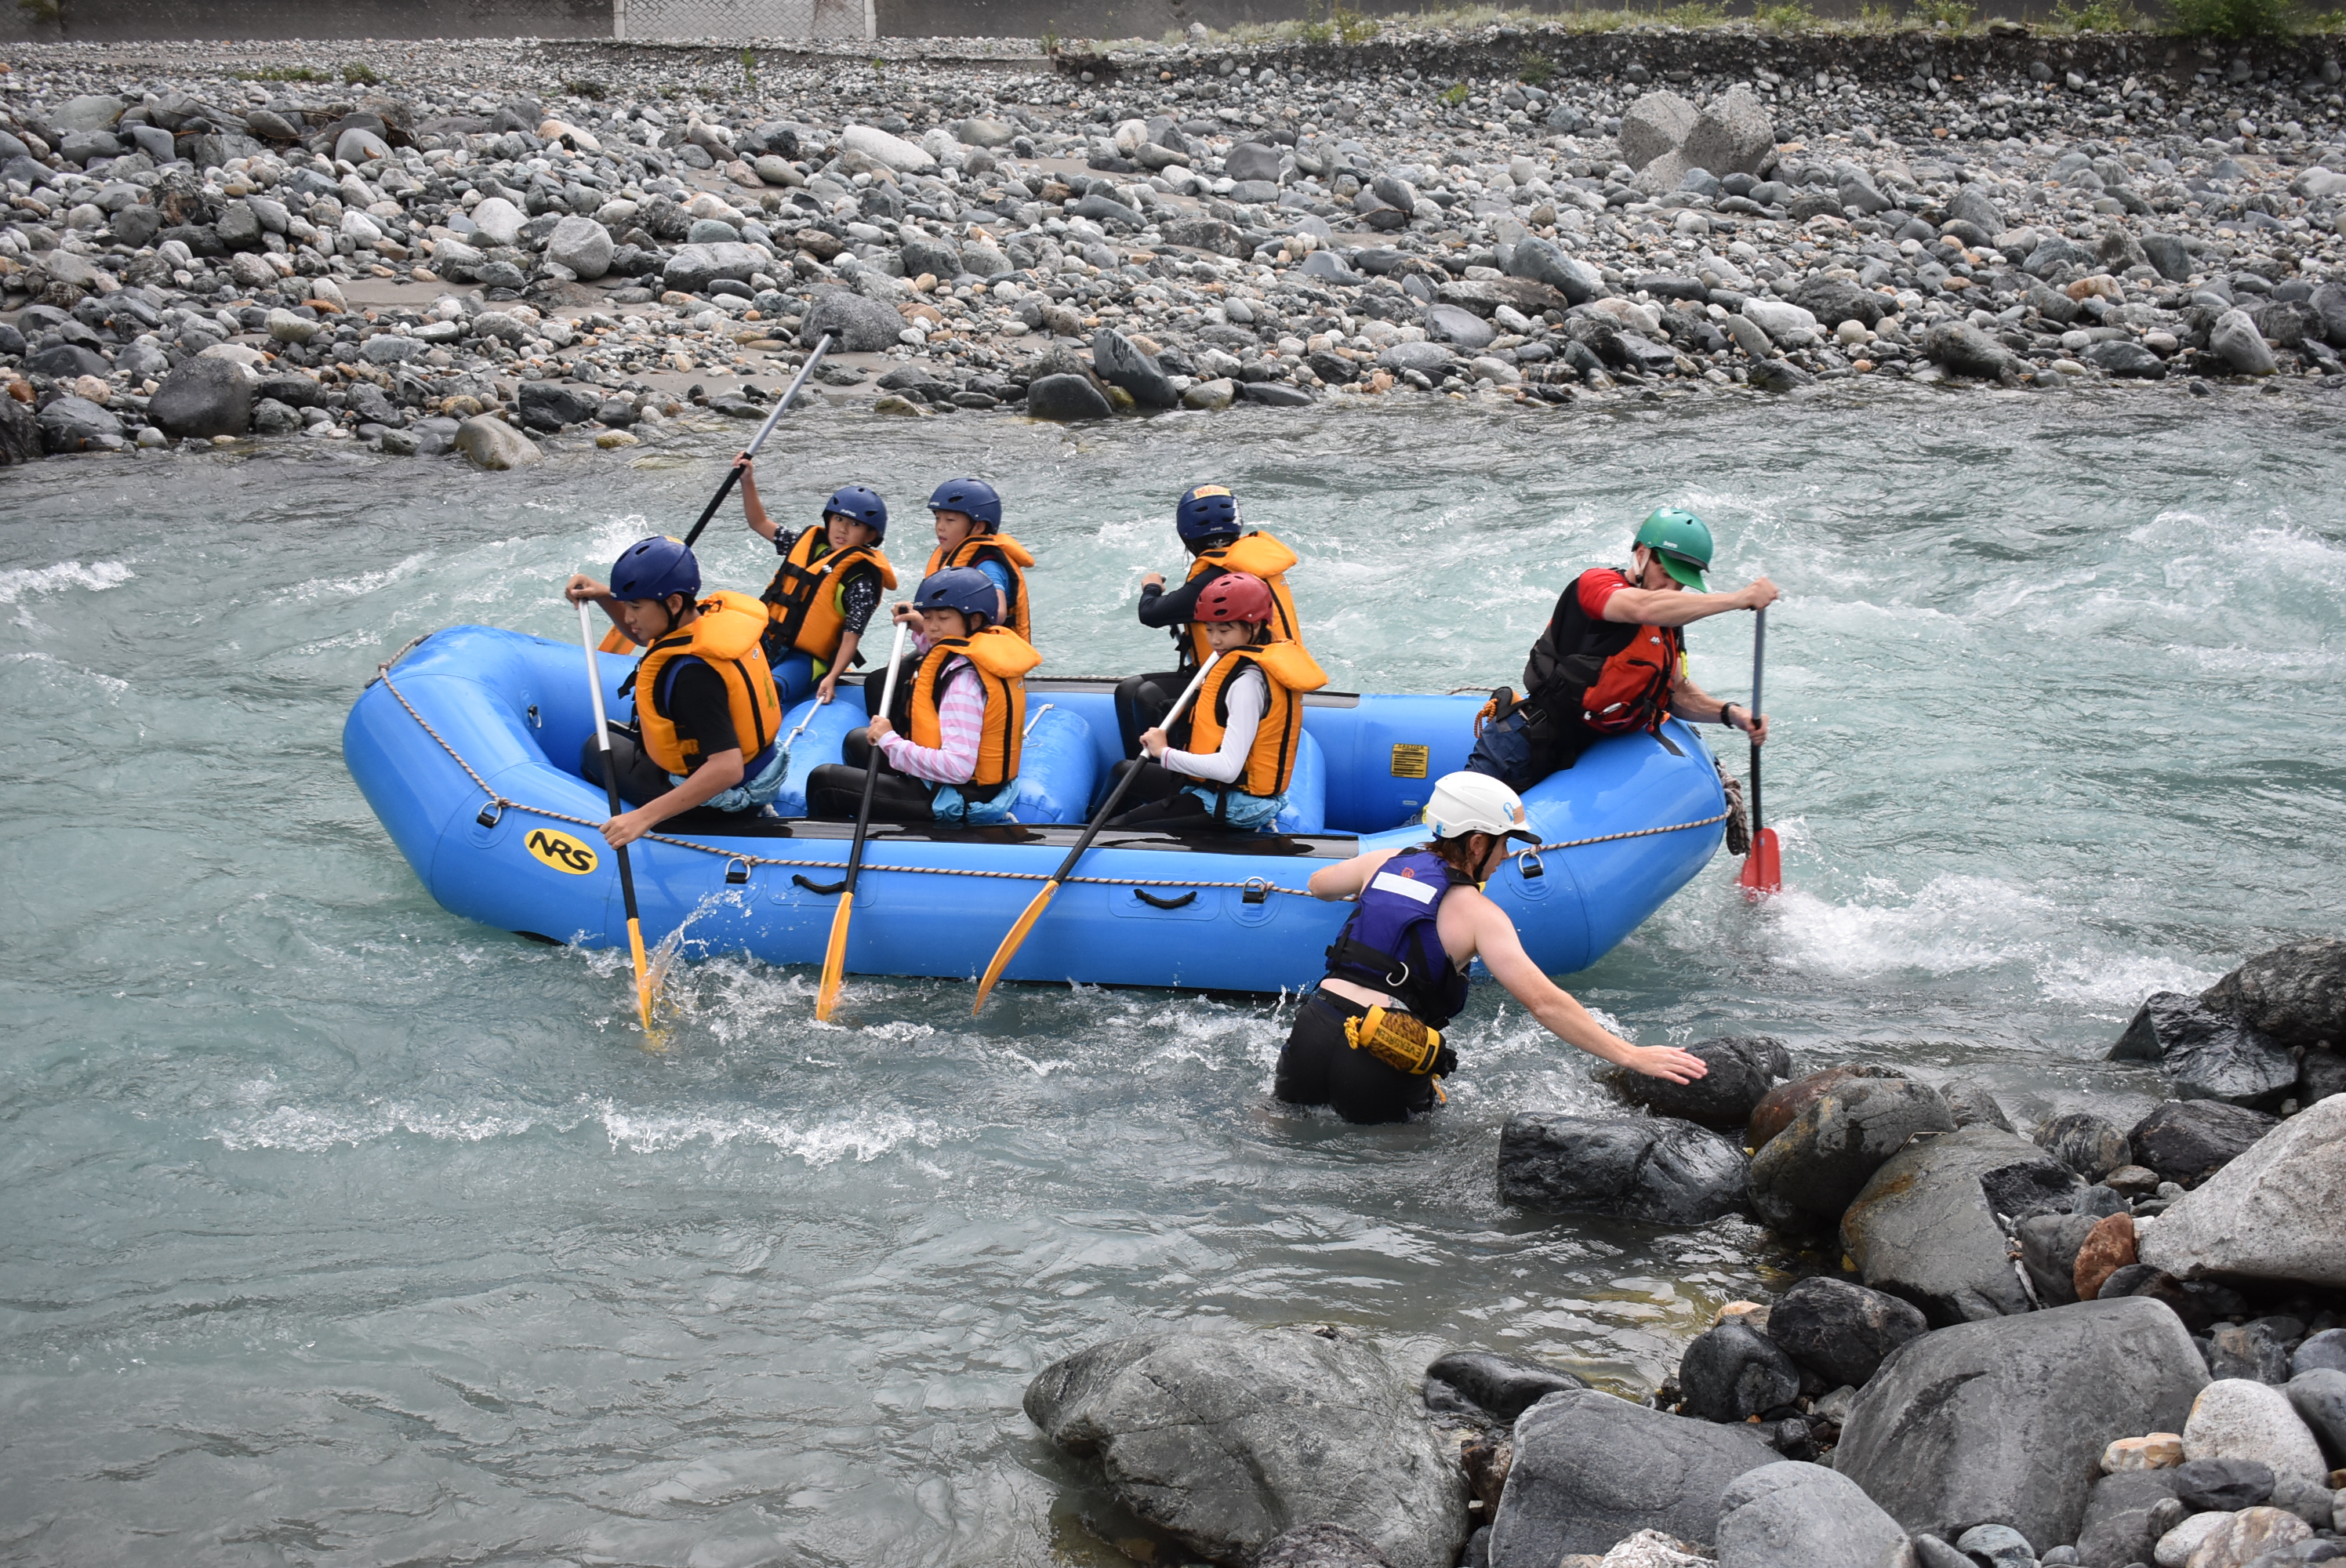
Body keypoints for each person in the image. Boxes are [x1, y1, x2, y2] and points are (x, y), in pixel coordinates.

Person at [1277, 772, 1710, 1124]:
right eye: (1504, 843)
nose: (1506, 856)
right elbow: (1545, 1004)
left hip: (1314, 1027)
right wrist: (1631, 1054)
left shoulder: (1383, 862)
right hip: (1383, 1049)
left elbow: (1319, 886)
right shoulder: (1481, 916)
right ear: (1478, 843)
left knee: (1281, 1130)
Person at [1467, 508, 1778, 790]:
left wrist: (1731, 714)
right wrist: (1736, 599)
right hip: (1523, 747)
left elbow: (1674, 694)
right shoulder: (1596, 585)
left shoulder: (1669, 622)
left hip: (1590, 757)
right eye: (1667, 574)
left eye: (1681, 583)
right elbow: (1640, 608)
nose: (1671, 588)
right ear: (1642, 554)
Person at [565, 535, 786, 846]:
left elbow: (727, 768)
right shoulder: (700, 620)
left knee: (594, 750)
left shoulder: (693, 677)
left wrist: (642, 817)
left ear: (673, 603)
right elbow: (647, 636)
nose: (628, 617)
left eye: (636, 606)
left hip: (719, 800)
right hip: (760, 771)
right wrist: (604, 594)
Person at [805, 566, 1041, 827]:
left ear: (974, 621)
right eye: (928, 618)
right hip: (953, 784)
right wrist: (919, 626)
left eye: (942, 617)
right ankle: (878, 817)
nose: (934, 627)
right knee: (857, 741)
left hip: (955, 798)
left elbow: (958, 768)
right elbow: (943, 647)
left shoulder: (963, 685)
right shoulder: (978, 650)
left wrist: (890, 741)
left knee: (823, 782)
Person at [1100, 571, 1327, 833]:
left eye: (1225, 630)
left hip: (1232, 805)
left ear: (1255, 626)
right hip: (1213, 788)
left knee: (1113, 831)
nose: (1215, 640)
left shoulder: (1248, 685)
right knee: (1123, 772)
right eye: (1209, 629)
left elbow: (1228, 769)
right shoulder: (1243, 659)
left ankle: (1098, 835)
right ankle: (1072, 832)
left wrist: (1164, 753)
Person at [1113, 482, 1306, 758]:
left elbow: (1151, 613)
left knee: (1147, 696)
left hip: (1247, 680)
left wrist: (1151, 586)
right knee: (1128, 690)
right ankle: (1138, 775)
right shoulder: (1254, 562)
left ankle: (1161, 771)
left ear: (1186, 534)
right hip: (1262, 672)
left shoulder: (1217, 577)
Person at [866, 477, 1037, 717]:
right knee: (881, 679)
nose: (940, 527)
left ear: (977, 527)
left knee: (885, 682)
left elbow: (996, 612)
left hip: (978, 654)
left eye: (950, 520)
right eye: (938, 519)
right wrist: (921, 620)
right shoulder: (953, 558)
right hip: (953, 641)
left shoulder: (988, 566)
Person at [735, 456, 895, 708]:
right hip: (766, 640)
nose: (843, 529)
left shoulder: (860, 581)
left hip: (808, 660)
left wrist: (832, 677)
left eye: (854, 524)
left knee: (770, 689)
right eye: (839, 519)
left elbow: (851, 637)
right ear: (828, 519)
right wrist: (747, 480)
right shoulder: (805, 544)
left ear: (870, 535)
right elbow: (759, 523)